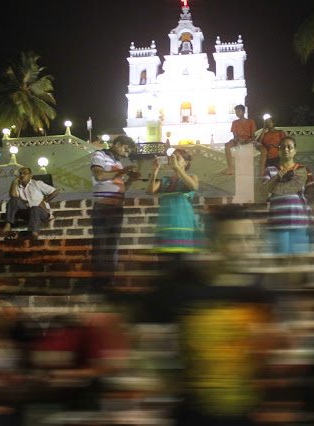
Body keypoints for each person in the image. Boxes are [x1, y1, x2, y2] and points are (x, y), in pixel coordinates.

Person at [141, 204, 280, 426]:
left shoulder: (263, 293)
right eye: (234, 240)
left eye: (249, 238)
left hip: (248, 414)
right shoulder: (180, 289)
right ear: (213, 243)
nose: (245, 248)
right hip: (193, 414)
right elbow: (144, 339)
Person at [90, 135, 140, 288]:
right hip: (103, 207)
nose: (126, 154)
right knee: (101, 245)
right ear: (118, 144)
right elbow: (99, 175)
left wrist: (130, 180)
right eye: (125, 150)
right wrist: (121, 171)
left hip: (116, 207)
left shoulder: (118, 162)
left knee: (112, 245)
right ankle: (98, 282)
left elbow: (120, 186)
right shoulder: (99, 155)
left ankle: (109, 281)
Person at [260, 136, 314, 254]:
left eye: (289, 147)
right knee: (281, 263)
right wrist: (276, 177)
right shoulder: (270, 170)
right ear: (279, 151)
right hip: (277, 224)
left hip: (301, 223)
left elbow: (312, 197)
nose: (286, 149)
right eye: (283, 147)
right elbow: (262, 192)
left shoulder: (305, 170)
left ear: (295, 150)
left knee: (300, 264)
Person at [146, 148, 206, 254]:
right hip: (166, 221)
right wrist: (155, 171)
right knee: (165, 254)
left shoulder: (192, 177)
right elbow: (150, 191)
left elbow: (193, 186)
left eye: (177, 158)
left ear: (186, 162)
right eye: (172, 158)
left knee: (184, 253)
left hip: (183, 221)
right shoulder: (165, 180)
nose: (173, 160)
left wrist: (178, 169)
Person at [0, 167, 59, 239]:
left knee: (35, 208)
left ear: (30, 175)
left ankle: (33, 233)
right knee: (13, 200)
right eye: (20, 173)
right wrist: (14, 183)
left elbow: (55, 192)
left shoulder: (37, 184)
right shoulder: (18, 186)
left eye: (25, 173)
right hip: (28, 212)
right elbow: (13, 195)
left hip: (41, 212)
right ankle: (8, 225)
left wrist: (44, 201)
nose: (22, 175)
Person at [222, 105, 261, 176]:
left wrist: (248, 140)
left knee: (253, 147)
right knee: (227, 145)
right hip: (238, 139)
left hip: (249, 139)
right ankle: (230, 169)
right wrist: (239, 139)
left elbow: (253, 135)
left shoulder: (251, 121)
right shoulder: (235, 122)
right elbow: (235, 135)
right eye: (236, 112)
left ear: (243, 112)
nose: (237, 113)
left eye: (239, 111)